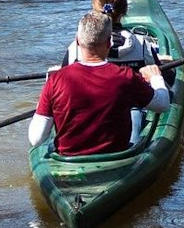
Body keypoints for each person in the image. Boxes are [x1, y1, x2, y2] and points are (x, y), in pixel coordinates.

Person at [30, 10, 170, 156]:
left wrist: (45, 99)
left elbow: (36, 139)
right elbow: (163, 104)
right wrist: (155, 77)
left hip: (69, 161)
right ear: (109, 43)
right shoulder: (126, 77)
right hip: (116, 159)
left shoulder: (55, 81)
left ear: (77, 40)